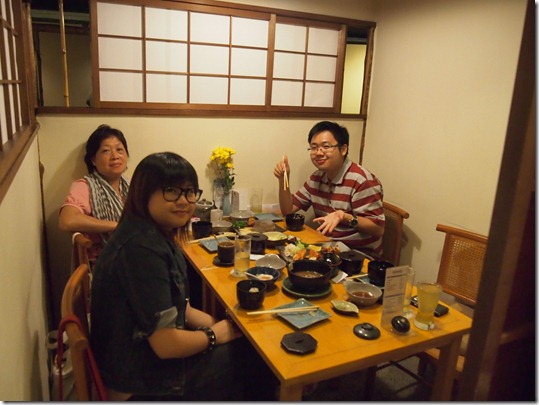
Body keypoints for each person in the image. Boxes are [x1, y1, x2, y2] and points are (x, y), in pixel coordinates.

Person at [90, 152, 277, 401]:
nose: (184, 201)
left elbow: (181, 308)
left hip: (138, 362)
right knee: (260, 359)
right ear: (144, 193)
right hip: (137, 382)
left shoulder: (150, 233)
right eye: (171, 191)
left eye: (189, 192)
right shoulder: (140, 249)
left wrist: (223, 326)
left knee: (248, 341)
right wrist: (214, 335)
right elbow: (166, 345)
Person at [273, 121, 385, 259]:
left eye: (326, 147)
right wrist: (283, 179)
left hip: (357, 256)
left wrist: (344, 217)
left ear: (343, 149)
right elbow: (288, 210)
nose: (319, 153)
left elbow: (378, 229)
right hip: (326, 248)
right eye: (314, 147)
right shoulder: (317, 178)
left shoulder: (362, 180)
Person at [58, 124, 130, 261]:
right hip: (104, 260)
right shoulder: (84, 186)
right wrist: (117, 226)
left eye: (119, 150)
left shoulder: (131, 185)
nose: (115, 156)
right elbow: (67, 220)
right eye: (106, 151)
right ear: (93, 160)